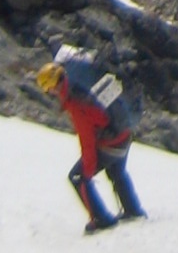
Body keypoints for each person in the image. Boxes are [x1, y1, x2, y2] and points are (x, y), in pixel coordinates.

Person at [36, 44, 145, 233]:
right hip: (124, 132)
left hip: (112, 142)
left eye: (47, 89)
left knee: (77, 177)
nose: (50, 93)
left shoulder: (75, 101)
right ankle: (133, 210)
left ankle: (102, 219)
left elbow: (87, 140)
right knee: (116, 171)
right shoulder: (81, 82)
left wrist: (86, 171)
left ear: (52, 86)